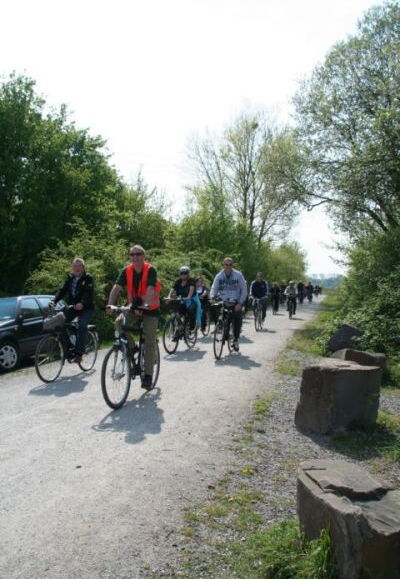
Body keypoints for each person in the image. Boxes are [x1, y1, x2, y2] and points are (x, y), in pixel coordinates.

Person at [107, 245, 160, 391]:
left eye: (138, 254)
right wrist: (109, 305)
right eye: (132, 254)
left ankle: (148, 376)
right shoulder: (127, 270)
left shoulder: (151, 270)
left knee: (149, 341)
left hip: (150, 309)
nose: (135, 257)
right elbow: (116, 288)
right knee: (119, 323)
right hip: (133, 307)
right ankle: (133, 348)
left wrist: (142, 305)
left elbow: (150, 290)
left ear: (144, 256)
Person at [53, 257, 94, 363]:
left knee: (82, 325)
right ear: (72, 267)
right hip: (74, 307)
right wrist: (54, 301)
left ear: (83, 267)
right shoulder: (70, 278)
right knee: (61, 323)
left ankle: (79, 354)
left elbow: (88, 293)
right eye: (75, 266)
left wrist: (82, 303)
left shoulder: (88, 278)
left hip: (87, 308)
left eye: (79, 266)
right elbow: (62, 290)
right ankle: (69, 348)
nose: (77, 268)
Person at [210, 257, 248, 351]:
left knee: (237, 317)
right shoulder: (219, 276)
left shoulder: (238, 275)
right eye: (226, 264)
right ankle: (220, 328)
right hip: (223, 300)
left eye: (230, 264)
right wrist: (212, 296)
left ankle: (236, 339)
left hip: (235, 301)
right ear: (223, 265)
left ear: (232, 265)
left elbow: (244, 290)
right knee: (214, 309)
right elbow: (214, 287)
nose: (228, 266)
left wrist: (240, 303)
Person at [167, 266, 198, 332]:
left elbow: (191, 289)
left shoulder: (191, 281)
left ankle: (191, 326)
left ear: (188, 274)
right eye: (182, 273)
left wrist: (188, 297)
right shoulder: (178, 281)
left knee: (191, 310)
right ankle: (178, 328)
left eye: (185, 273)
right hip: (180, 300)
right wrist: (169, 296)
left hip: (190, 300)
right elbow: (173, 288)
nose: (183, 275)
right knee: (175, 310)